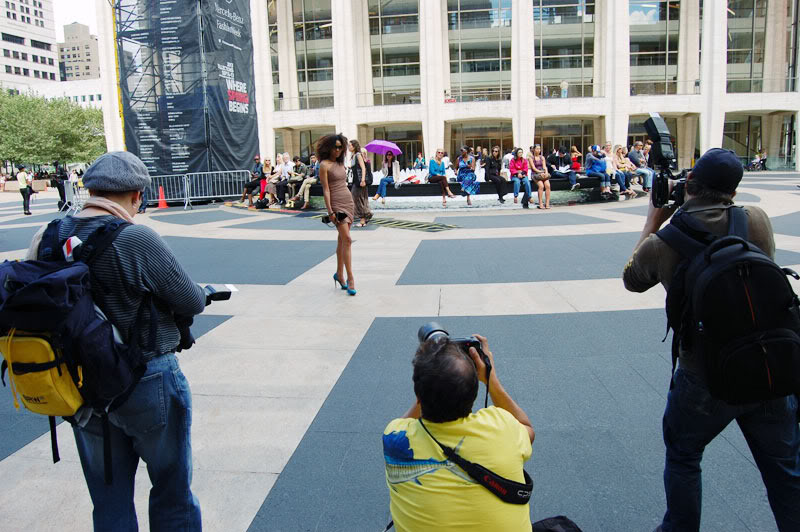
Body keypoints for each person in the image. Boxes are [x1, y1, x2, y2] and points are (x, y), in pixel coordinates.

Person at [622, 148, 800, 532]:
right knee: (785, 470)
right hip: (768, 363)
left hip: (702, 374)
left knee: (685, 456)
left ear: (688, 184)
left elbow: (632, 280)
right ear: (733, 191)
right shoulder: (756, 219)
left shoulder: (664, 241)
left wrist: (654, 220)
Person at [25, 151, 205, 531]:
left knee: (108, 501)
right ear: (137, 195)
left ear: (89, 189)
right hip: (146, 379)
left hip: (79, 384)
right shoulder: (136, 237)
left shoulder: (49, 235)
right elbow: (189, 299)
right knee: (172, 492)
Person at [383, 333, 535, 531]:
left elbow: (408, 419)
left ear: (418, 395)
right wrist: (491, 379)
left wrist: (428, 379)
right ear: (473, 393)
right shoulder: (503, 426)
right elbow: (528, 429)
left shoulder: (394, 438)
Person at [318, 133, 357, 296]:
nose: (338, 150)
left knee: (342, 240)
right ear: (329, 147)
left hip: (348, 201)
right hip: (336, 204)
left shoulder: (341, 164)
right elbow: (326, 189)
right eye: (335, 147)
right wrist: (330, 211)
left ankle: (339, 274)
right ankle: (350, 279)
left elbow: (344, 184)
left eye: (341, 147)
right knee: (347, 239)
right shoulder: (324, 165)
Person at [349, 140, 372, 227]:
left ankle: (364, 218)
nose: (348, 147)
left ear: (354, 146)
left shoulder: (358, 155)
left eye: (350, 145)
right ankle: (365, 217)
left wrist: (363, 180)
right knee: (360, 199)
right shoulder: (354, 155)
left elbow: (363, 168)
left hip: (359, 182)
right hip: (356, 181)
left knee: (357, 198)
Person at [530, 144, 551, 209]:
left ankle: (547, 203)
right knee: (541, 186)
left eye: (539, 149)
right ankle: (540, 203)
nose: (538, 150)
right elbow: (533, 168)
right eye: (537, 149)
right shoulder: (531, 158)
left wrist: (546, 172)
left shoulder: (542, 157)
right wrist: (541, 172)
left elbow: (544, 166)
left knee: (547, 185)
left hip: (543, 173)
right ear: (534, 149)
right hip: (535, 174)